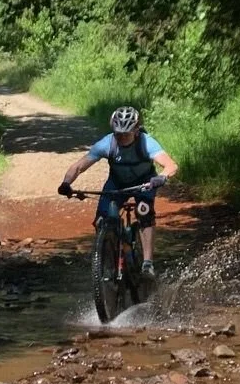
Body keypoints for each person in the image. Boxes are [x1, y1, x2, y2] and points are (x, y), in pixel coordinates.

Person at [59, 105, 178, 278]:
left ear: (136, 131)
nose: (121, 137)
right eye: (118, 133)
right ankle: (108, 258)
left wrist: (162, 177)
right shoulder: (107, 143)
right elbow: (79, 166)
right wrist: (66, 183)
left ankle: (147, 263)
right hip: (116, 184)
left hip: (144, 183)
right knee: (101, 220)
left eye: (126, 134)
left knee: (143, 210)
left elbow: (171, 165)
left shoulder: (147, 143)